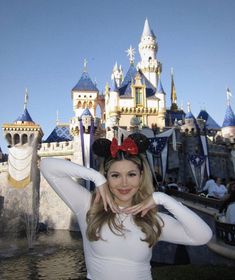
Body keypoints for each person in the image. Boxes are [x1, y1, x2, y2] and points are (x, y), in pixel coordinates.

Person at [40, 133, 212, 280]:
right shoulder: (88, 206)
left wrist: (162, 198)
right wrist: (96, 177)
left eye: (131, 174)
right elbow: (47, 166)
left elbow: (203, 236)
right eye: (115, 175)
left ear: (141, 176)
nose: (124, 183)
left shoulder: (151, 219)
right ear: (107, 176)